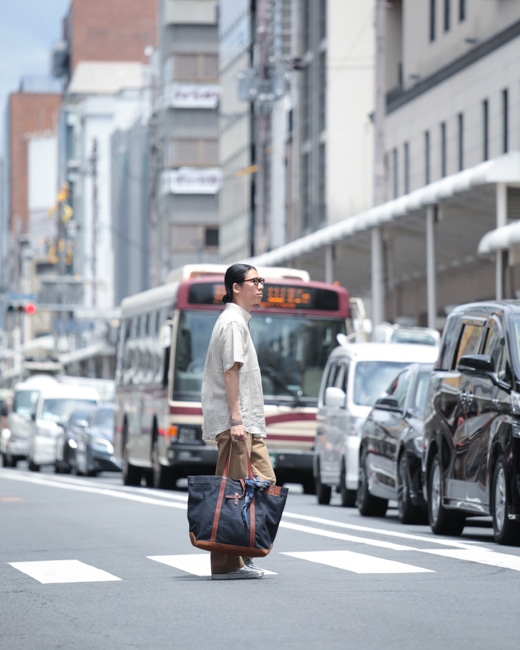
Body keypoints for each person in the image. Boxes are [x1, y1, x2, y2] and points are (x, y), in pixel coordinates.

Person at [201, 263, 276, 580]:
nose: (260, 286)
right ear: (235, 287)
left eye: (261, 280)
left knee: (242, 491)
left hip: (243, 424)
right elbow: (230, 372)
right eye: (254, 281)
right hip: (239, 426)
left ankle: (237, 558)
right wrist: (236, 421)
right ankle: (227, 563)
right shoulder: (232, 323)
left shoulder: (236, 322)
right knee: (239, 493)